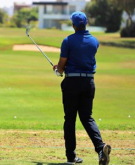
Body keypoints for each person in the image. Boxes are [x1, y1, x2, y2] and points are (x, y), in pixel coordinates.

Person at [53, 11, 111, 165]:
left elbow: (61, 67)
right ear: (86, 24)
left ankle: (71, 157)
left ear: (73, 25)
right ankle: (100, 148)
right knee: (87, 117)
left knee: (70, 119)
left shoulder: (68, 41)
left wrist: (56, 69)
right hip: (88, 83)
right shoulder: (94, 41)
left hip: (72, 83)